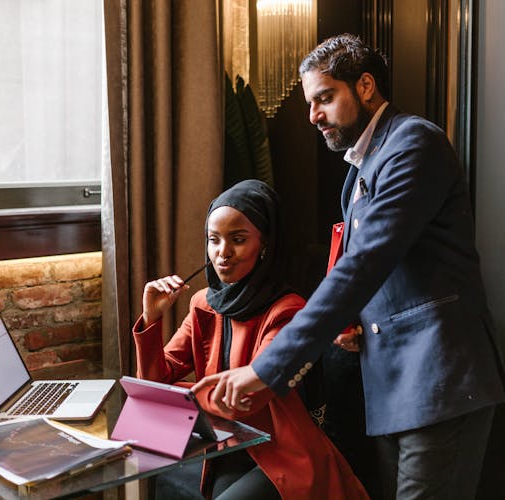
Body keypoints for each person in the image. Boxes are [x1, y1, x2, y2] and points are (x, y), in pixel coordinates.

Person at [193, 34, 505, 499]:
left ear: (365, 86)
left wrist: (265, 370)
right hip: (390, 387)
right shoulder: (359, 170)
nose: (313, 115)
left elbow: (364, 264)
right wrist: (352, 321)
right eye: (310, 102)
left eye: (325, 97)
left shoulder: (413, 143)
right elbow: (370, 272)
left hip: (440, 378)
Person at [132, 179, 368, 499]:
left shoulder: (288, 310)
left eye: (238, 240)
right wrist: (152, 318)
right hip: (226, 449)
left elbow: (245, 400)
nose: (223, 253)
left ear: (265, 246)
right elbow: (154, 382)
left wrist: (171, 400)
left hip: (281, 454)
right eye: (213, 240)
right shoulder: (203, 304)